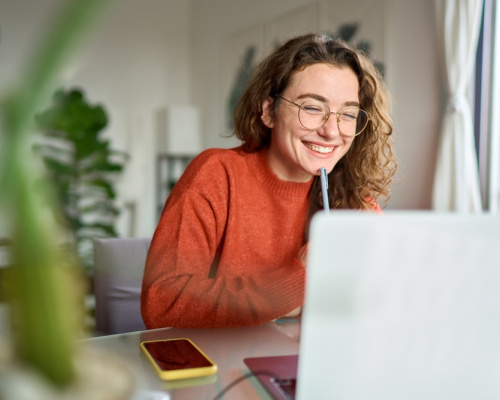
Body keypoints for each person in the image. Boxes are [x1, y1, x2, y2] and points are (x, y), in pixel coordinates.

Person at [141, 33, 396, 329]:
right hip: (220, 369)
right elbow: (161, 303)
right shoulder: (216, 175)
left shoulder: (352, 197)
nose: (331, 131)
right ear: (268, 111)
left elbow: (383, 299)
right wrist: (297, 280)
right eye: (312, 108)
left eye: (348, 114)